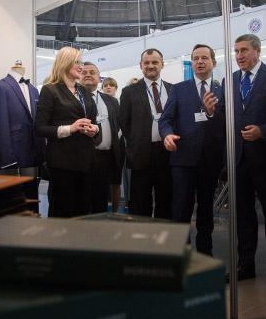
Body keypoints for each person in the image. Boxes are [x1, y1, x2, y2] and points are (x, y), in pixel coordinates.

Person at [221, 34, 266, 288]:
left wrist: (263, 131)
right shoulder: (230, 80)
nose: (239, 56)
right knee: (243, 215)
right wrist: (212, 110)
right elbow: (226, 116)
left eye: (244, 50)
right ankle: (245, 265)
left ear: (257, 51)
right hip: (238, 159)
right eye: (236, 51)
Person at [159, 44, 224, 255]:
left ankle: (205, 252)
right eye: (196, 58)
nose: (200, 62)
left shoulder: (222, 90)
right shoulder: (179, 89)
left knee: (206, 209)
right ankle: (182, 253)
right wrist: (167, 134)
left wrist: (212, 113)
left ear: (214, 62)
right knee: (181, 209)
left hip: (210, 160)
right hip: (183, 159)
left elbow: (226, 123)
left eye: (204, 58)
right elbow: (165, 119)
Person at [35, 47, 99, 217]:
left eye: (81, 62)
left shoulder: (83, 91)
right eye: (77, 62)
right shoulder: (50, 90)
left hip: (86, 161)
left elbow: (94, 121)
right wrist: (70, 129)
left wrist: (95, 130)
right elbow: (39, 128)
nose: (81, 66)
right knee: (63, 212)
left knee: (83, 212)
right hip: (62, 163)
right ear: (65, 63)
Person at [119, 49, 173, 219]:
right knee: (140, 202)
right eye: (147, 62)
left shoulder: (173, 89)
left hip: (167, 153)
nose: (150, 66)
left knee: (166, 199)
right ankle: (141, 235)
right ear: (140, 65)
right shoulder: (129, 92)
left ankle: (163, 233)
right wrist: (136, 141)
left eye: (155, 62)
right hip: (141, 154)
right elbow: (124, 122)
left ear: (162, 64)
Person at [80, 62, 123, 213]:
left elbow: (118, 125)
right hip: (82, 159)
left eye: (92, 72)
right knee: (82, 202)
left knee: (100, 201)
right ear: (78, 76)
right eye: (84, 72)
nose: (88, 75)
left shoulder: (111, 101)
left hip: (105, 158)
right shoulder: (73, 99)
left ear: (99, 78)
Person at [0, 60, 45, 170]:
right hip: (14, 153)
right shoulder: (0, 87)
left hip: (35, 154)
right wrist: (6, 158)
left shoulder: (34, 90)